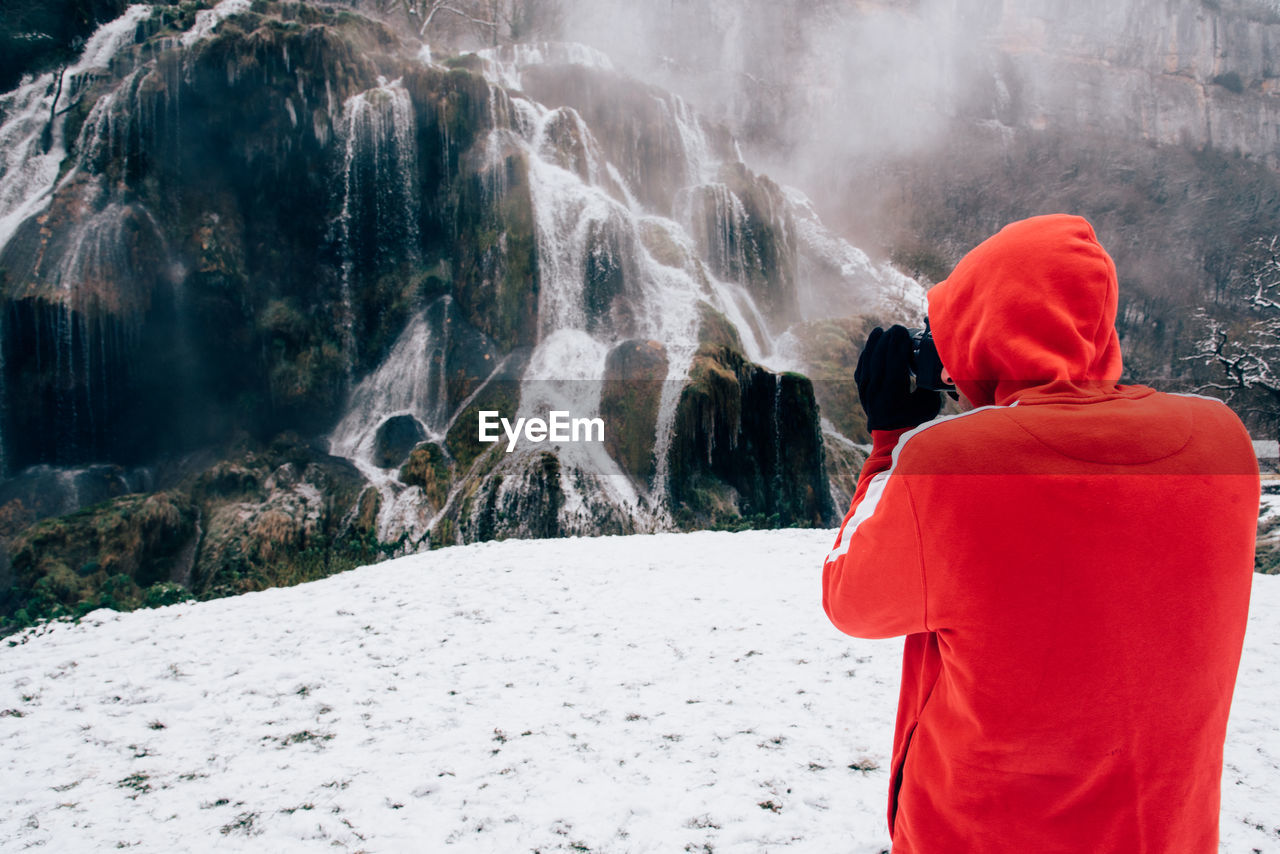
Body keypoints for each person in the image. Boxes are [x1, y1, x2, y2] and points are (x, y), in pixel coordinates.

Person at [822, 214, 1259, 853]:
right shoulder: (1222, 440)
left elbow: (849, 599)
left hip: (982, 834)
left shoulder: (952, 465)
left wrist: (891, 442)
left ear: (983, 328)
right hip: (1167, 834)